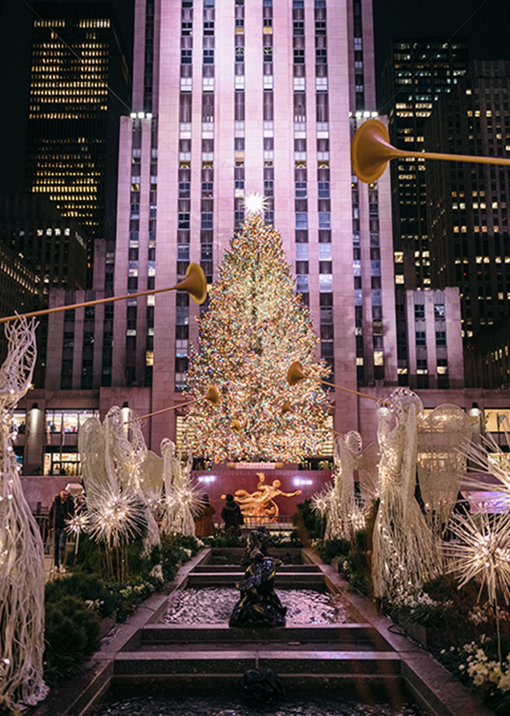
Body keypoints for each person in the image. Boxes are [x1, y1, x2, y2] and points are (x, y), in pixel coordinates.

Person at [48, 489, 75, 573]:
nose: (65, 497)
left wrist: (68, 525)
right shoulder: (55, 503)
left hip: (63, 528)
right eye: (64, 495)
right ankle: (56, 565)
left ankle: (62, 564)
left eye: (67, 495)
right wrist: (51, 526)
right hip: (56, 527)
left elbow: (72, 514)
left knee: (61, 546)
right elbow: (51, 514)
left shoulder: (69, 504)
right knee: (55, 547)